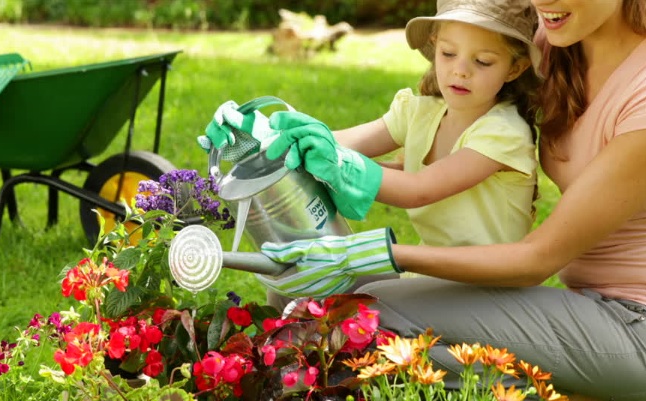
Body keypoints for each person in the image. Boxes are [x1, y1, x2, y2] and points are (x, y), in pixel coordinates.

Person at [260, 0, 646, 399]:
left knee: (361, 316)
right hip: (577, 307)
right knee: (308, 291)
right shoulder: (553, 39)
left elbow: (536, 259)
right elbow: (432, 159)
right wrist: (273, 141)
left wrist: (382, 253)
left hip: (633, 326)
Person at [199, 0, 541, 304]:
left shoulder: (503, 133)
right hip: (429, 280)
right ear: (434, 46)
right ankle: (285, 365)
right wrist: (261, 134)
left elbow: (419, 190)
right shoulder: (419, 112)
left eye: (482, 61)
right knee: (296, 273)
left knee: (342, 306)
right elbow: (339, 141)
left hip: (485, 294)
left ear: (514, 68)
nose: (460, 69)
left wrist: (340, 164)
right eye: (448, 53)